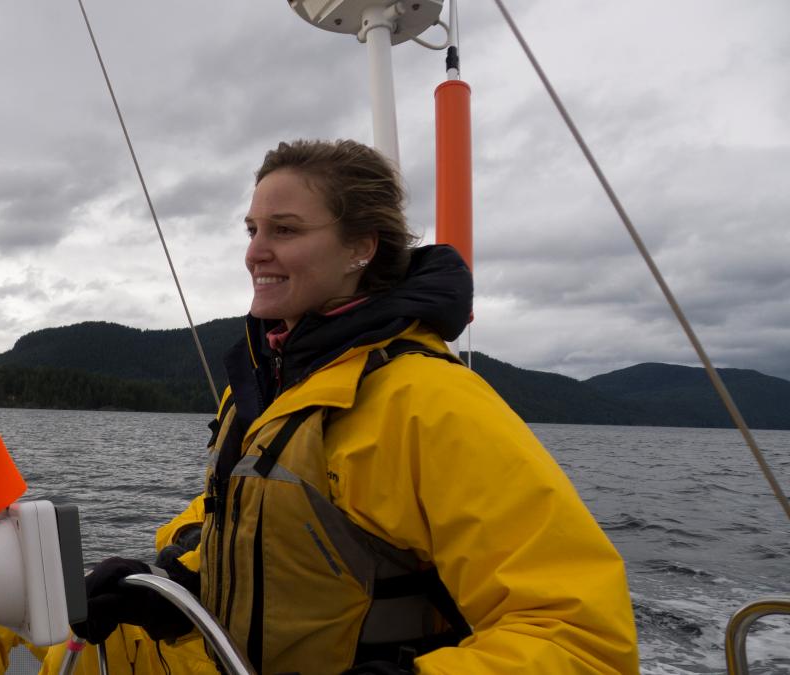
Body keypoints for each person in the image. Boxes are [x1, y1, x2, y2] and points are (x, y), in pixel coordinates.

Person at [71, 138, 640, 674]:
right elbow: (262, 536)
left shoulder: (428, 401)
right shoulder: (262, 391)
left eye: (285, 230)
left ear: (361, 247)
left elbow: (581, 638)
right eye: (252, 229)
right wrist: (172, 587)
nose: (254, 253)